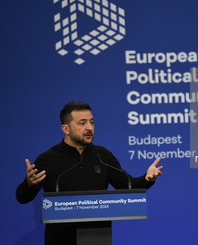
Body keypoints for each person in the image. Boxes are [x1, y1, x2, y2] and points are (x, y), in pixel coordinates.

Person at [16, 101, 163, 245]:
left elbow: (127, 186)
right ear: (66, 129)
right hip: (60, 238)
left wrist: (147, 178)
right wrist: (29, 184)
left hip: (97, 236)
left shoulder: (102, 156)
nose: (89, 128)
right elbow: (22, 198)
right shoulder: (48, 159)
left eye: (91, 122)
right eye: (82, 123)